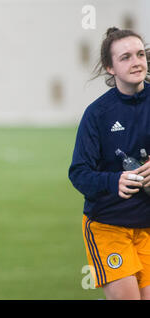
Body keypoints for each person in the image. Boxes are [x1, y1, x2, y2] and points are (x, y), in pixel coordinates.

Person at [69, 27, 150, 300]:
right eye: (125, 57)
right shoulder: (97, 114)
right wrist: (114, 181)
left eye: (140, 54)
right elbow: (79, 173)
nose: (136, 62)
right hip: (108, 225)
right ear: (110, 67)